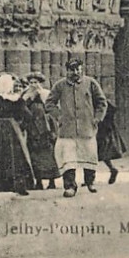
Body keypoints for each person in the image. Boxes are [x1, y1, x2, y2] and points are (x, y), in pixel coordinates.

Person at [45, 56, 107, 198]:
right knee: (68, 158)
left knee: (89, 154)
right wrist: (59, 116)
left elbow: (102, 102)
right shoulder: (60, 85)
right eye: (72, 70)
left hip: (87, 128)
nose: (75, 73)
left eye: (78, 69)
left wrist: (97, 118)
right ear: (67, 71)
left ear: (81, 69)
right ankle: (70, 186)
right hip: (67, 130)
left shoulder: (90, 83)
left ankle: (90, 182)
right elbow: (49, 103)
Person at [0, 73, 35, 195]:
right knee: (15, 157)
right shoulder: (16, 100)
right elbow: (28, 116)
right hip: (12, 130)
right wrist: (20, 127)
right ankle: (16, 185)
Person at [22, 71, 60, 190]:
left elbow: (52, 109)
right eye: (31, 82)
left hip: (46, 128)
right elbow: (22, 108)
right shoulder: (26, 95)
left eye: (36, 82)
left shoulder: (46, 94)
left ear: (40, 83)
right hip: (32, 129)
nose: (33, 84)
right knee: (34, 156)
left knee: (49, 155)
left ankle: (52, 181)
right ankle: (38, 181)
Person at [97, 100, 127, 184]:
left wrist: (104, 123)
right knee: (96, 152)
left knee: (98, 152)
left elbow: (111, 109)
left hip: (102, 128)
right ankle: (112, 169)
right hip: (100, 127)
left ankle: (89, 179)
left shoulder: (98, 97)